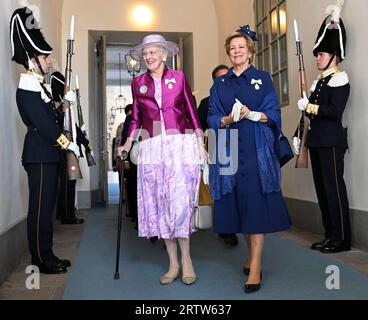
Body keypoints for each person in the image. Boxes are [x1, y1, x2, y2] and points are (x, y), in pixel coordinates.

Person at [207, 25, 291, 293]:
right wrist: (226, 119)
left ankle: (255, 266)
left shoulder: (263, 78)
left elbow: (273, 112)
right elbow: (210, 117)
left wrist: (253, 114)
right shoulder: (219, 83)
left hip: (256, 148)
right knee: (239, 205)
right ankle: (250, 255)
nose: (236, 52)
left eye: (241, 47)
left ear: (250, 51)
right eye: (232, 48)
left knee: (255, 203)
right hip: (228, 150)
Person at [120, 34, 205, 285]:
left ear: (164, 54)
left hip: (179, 145)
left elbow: (191, 111)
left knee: (179, 204)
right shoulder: (138, 83)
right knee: (161, 205)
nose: (148, 57)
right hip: (152, 146)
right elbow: (135, 117)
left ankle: (187, 260)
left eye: (153, 52)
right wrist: (127, 142)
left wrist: (200, 144)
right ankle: (173, 264)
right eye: (145, 53)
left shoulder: (178, 78)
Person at [10, 7, 79, 273]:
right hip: (40, 153)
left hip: (47, 154)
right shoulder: (28, 85)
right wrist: (67, 143)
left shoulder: (39, 85)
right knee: (40, 210)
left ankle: (46, 254)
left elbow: (51, 118)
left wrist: (64, 106)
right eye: (44, 57)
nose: (49, 62)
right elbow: (44, 127)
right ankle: (40, 259)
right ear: (32, 59)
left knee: (46, 209)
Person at [294, 3, 351, 253]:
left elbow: (333, 111)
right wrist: (299, 134)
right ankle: (330, 235)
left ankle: (342, 239)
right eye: (317, 54)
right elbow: (309, 114)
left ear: (334, 56)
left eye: (321, 54)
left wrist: (310, 107)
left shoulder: (340, 77)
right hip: (316, 141)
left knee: (334, 190)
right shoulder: (320, 82)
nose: (317, 57)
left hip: (331, 141)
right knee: (322, 191)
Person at [198, 64, 239, 248]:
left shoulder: (240, 98)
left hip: (240, 145)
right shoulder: (207, 102)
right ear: (214, 82)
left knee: (239, 188)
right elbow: (198, 127)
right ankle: (227, 230)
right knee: (223, 190)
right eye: (219, 78)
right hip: (217, 144)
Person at [50, 71, 90, 224]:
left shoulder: (63, 109)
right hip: (64, 151)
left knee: (67, 184)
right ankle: (67, 215)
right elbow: (70, 128)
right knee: (68, 184)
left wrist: (85, 143)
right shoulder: (60, 110)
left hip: (68, 149)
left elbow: (75, 128)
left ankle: (65, 213)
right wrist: (83, 143)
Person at [120, 104, 138, 229]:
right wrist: (125, 159)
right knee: (133, 188)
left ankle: (135, 216)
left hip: (143, 159)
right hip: (133, 159)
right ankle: (136, 216)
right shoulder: (130, 119)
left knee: (134, 188)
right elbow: (125, 140)